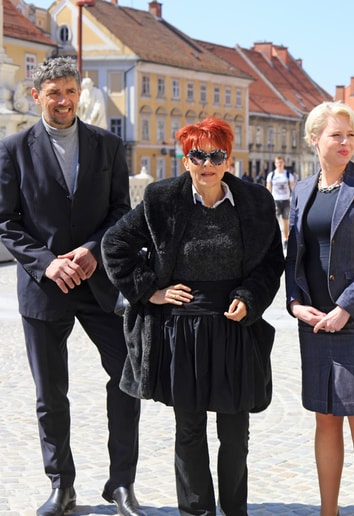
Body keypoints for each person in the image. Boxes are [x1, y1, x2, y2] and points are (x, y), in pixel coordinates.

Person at [102, 117, 284, 515]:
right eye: (197, 155)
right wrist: (151, 290)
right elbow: (114, 244)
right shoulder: (161, 199)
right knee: (189, 430)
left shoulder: (255, 202)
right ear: (185, 160)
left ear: (227, 159)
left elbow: (272, 261)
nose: (207, 163)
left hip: (234, 326)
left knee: (235, 433)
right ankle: (196, 511)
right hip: (180, 329)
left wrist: (251, 298)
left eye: (215, 155)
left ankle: (235, 510)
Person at [0, 57, 144, 516]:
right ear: (36, 96)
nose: (63, 100)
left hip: (98, 282)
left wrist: (90, 250)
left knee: (126, 378)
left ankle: (121, 485)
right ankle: (61, 486)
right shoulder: (13, 149)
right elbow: (6, 221)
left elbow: (122, 210)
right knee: (50, 392)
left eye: (69, 91)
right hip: (44, 288)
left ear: (78, 94)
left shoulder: (107, 145)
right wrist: (46, 264)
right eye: (53, 93)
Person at [285, 101, 354, 516]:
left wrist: (347, 306)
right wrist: (296, 303)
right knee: (324, 419)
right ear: (315, 140)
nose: (346, 142)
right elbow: (293, 254)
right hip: (314, 321)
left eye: (351, 135)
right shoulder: (300, 190)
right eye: (336, 135)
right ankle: (327, 511)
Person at [266, 155, 295, 245]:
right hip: (275, 200)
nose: (279, 164)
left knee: (286, 220)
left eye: (281, 162)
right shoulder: (271, 175)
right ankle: (276, 238)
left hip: (286, 200)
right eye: (278, 163)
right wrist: (267, 201)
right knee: (276, 220)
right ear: (275, 164)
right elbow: (268, 189)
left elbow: (293, 188)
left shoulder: (288, 175)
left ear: (284, 163)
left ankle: (286, 238)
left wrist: (294, 199)